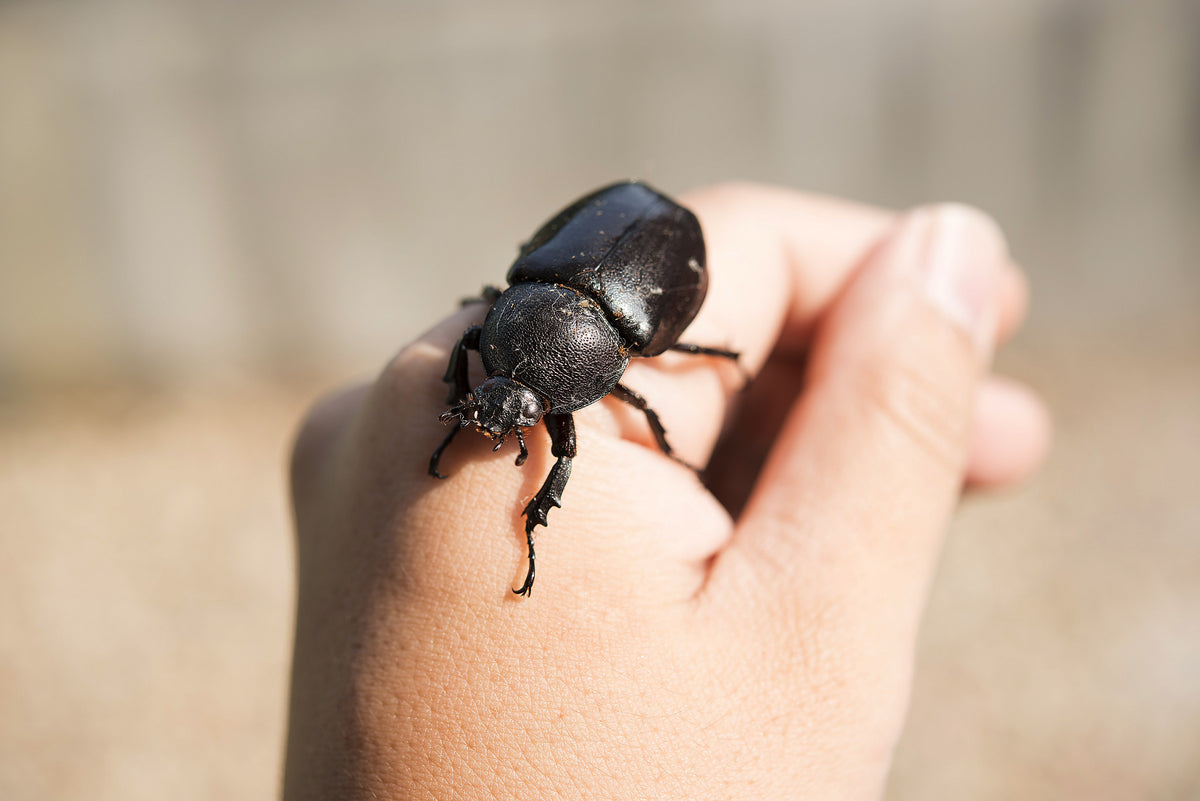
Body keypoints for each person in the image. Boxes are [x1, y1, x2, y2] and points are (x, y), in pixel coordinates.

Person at [282, 183, 1051, 799]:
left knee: (607, 416)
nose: (501, 419)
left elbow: (538, 378)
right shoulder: (505, 327)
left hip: (618, 262)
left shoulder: (558, 339)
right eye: (501, 408)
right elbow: (479, 346)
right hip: (588, 267)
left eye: (516, 410)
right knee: (525, 369)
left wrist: (526, 518)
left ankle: (537, 522)